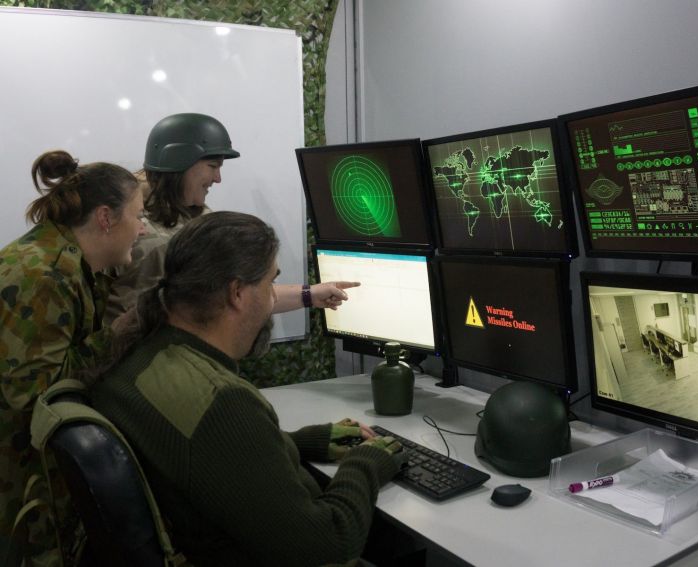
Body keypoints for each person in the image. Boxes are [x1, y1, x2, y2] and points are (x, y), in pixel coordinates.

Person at [92, 211, 405, 566]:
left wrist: (295, 442)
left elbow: (206, 456)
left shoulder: (141, 356)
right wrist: (368, 461)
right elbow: (328, 543)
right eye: (270, 283)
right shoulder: (223, 403)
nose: (272, 299)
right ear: (237, 293)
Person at [0, 150, 145, 562]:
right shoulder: (43, 276)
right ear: (105, 218)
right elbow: (34, 398)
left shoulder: (67, 264)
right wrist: (117, 335)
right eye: (137, 215)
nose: (142, 228)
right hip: (17, 483)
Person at [105, 112, 355, 325]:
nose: (217, 179)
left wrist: (309, 295)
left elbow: (236, 294)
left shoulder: (193, 215)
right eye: (213, 166)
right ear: (181, 163)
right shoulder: (137, 233)